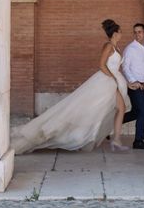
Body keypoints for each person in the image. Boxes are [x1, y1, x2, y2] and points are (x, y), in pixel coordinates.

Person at [11, 19, 131, 155]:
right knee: (112, 109)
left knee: (118, 109)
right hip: (106, 81)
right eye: (120, 31)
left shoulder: (117, 48)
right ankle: (102, 138)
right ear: (114, 33)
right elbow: (102, 65)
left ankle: (114, 140)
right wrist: (114, 79)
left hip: (114, 81)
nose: (122, 34)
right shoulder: (108, 46)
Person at [121, 23, 144, 150]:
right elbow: (125, 67)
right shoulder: (130, 49)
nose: (137, 34)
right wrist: (134, 82)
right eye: (135, 32)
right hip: (133, 85)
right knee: (143, 111)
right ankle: (138, 141)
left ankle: (111, 125)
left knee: (136, 112)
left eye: (140, 32)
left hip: (141, 83)